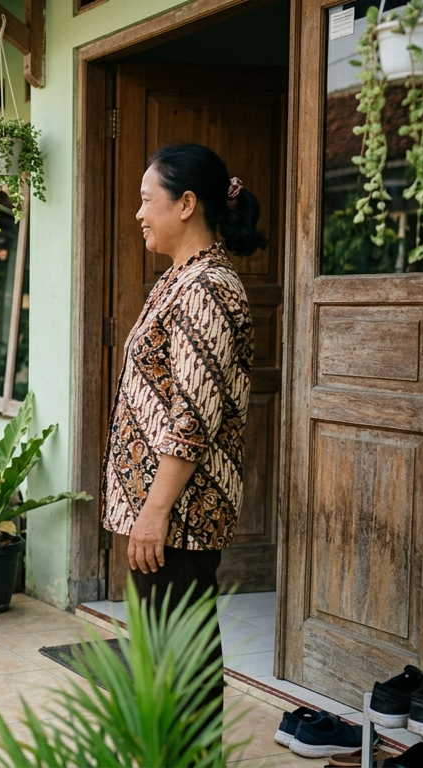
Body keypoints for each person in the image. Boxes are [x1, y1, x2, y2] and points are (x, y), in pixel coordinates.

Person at [102, 142, 260, 721]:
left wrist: (155, 511)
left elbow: (193, 415)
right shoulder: (180, 279)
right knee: (161, 659)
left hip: (182, 514)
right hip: (164, 509)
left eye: (148, 201)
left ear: (187, 203)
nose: (139, 213)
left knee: (181, 664)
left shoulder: (207, 289)